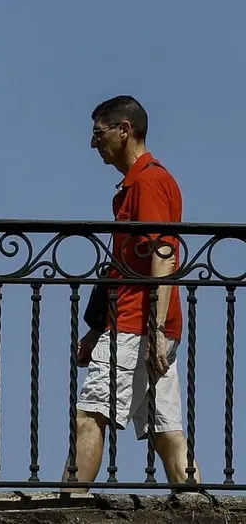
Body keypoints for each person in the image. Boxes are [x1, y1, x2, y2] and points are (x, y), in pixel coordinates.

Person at [63, 95, 199, 490]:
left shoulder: (148, 181)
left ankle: (68, 503)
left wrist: (154, 328)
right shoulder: (135, 184)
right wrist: (96, 329)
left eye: (98, 133)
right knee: (165, 430)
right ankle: (195, 505)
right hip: (142, 322)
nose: (94, 144)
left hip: (137, 323)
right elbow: (122, 267)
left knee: (90, 416)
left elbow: (163, 254)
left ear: (125, 130)